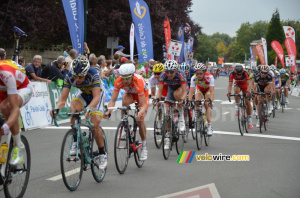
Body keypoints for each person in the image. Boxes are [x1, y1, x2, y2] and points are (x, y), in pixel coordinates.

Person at [50, 57, 107, 170]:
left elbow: (96, 97)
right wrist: (56, 109)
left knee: (94, 125)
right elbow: (62, 99)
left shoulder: (93, 74)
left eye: (80, 76)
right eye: (75, 76)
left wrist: (89, 108)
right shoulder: (70, 76)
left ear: (86, 73)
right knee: (73, 110)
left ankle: (102, 153)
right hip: (83, 94)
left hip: (97, 96)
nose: (77, 79)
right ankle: (75, 141)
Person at [105, 63, 149, 160]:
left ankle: (144, 147)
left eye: (127, 78)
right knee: (124, 100)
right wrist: (109, 112)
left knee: (139, 119)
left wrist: (140, 113)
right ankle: (126, 125)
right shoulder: (118, 81)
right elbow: (112, 100)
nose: (124, 81)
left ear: (133, 75)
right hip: (130, 94)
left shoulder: (139, 82)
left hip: (142, 95)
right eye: (123, 78)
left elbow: (144, 105)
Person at [0, 59, 33, 166]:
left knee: (7, 107)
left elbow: (15, 109)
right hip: (3, 90)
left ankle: (18, 145)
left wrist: (6, 126)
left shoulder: (7, 75)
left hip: (22, 87)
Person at [154, 60, 187, 149]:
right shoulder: (163, 75)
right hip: (171, 89)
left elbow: (184, 92)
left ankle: (181, 117)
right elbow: (160, 91)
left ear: (176, 70)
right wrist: (157, 99)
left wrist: (182, 99)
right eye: (167, 71)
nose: (169, 74)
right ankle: (168, 137)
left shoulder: (180, 74)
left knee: (177, 95)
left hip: (180, 89)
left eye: (171, 72)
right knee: (167, 112)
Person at [188, 63, 214, 135]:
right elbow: (191, 91)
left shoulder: (210, 77)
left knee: (207, 104)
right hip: (199, 90)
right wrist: (189, 101)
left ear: (204, 72)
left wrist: (211, 101)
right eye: (197, 73)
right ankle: (198, 118)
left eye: (200, 73)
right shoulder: (194, 78)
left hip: (208, 90)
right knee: (196, 101)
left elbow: (212, 91)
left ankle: (209, 126)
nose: (199, 75)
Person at [227, 65, 253, 129]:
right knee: (236, 91)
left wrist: (247, 91)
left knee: (247, 101)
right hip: (238, 84)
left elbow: (249, 84)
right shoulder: (232, 74)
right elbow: (230, 85)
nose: (238, 76)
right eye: (237, 75)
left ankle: (249, 120)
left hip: (245, 85)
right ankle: (237, 105)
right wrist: (229, 92)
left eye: (240, 74)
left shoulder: (245, 73)